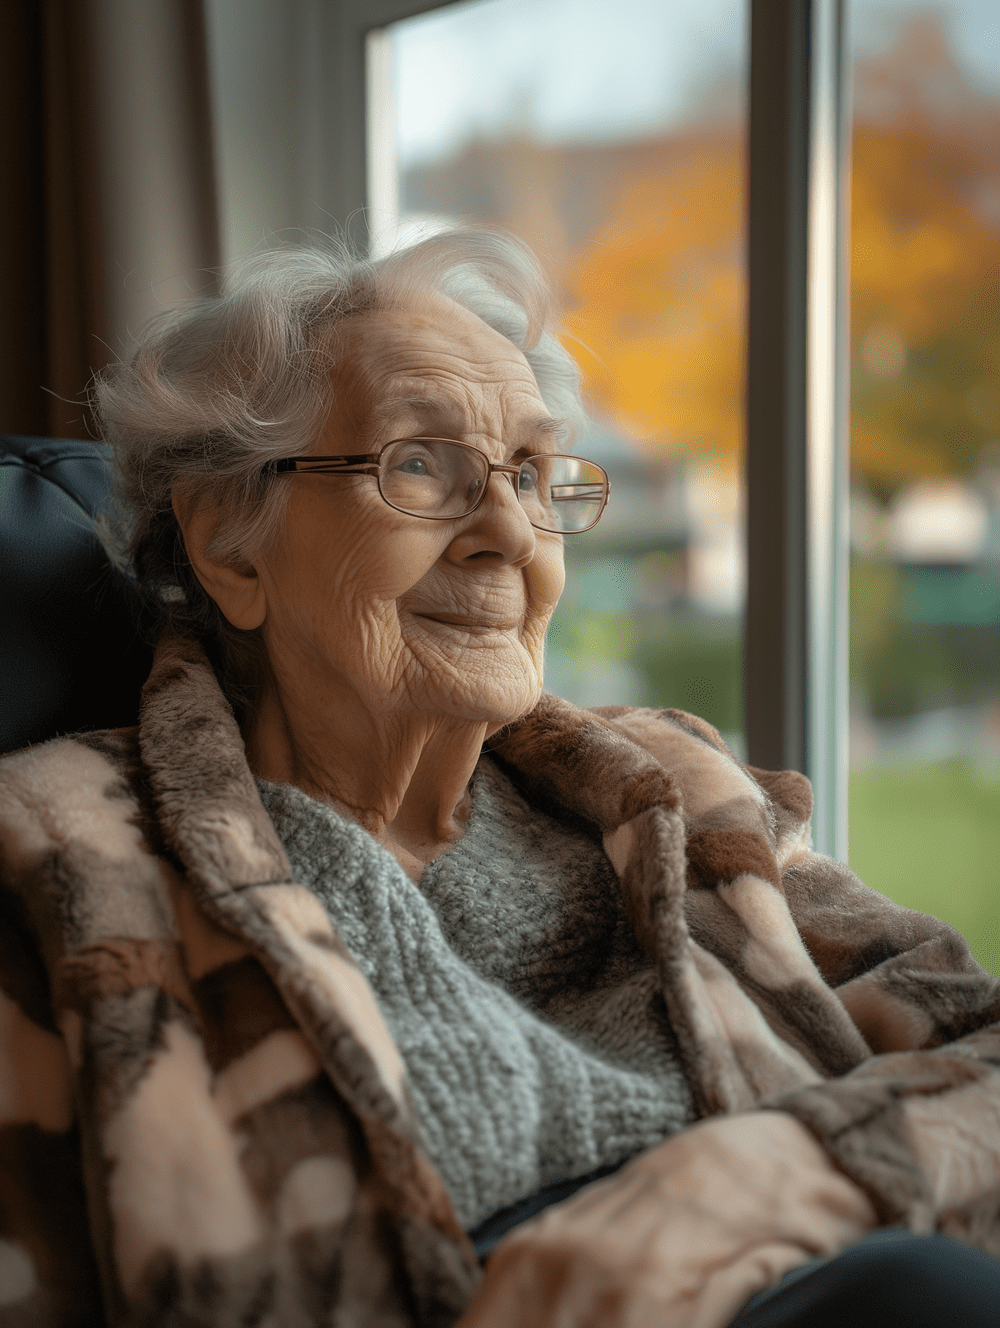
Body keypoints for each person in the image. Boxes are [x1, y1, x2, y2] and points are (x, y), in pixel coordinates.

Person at [1, 229, 999, 1328]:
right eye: (419, 463)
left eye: (529, 472)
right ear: (231, 544)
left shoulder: (670, 789)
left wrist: (774, 1175)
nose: (509, 532)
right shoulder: (66, 859)